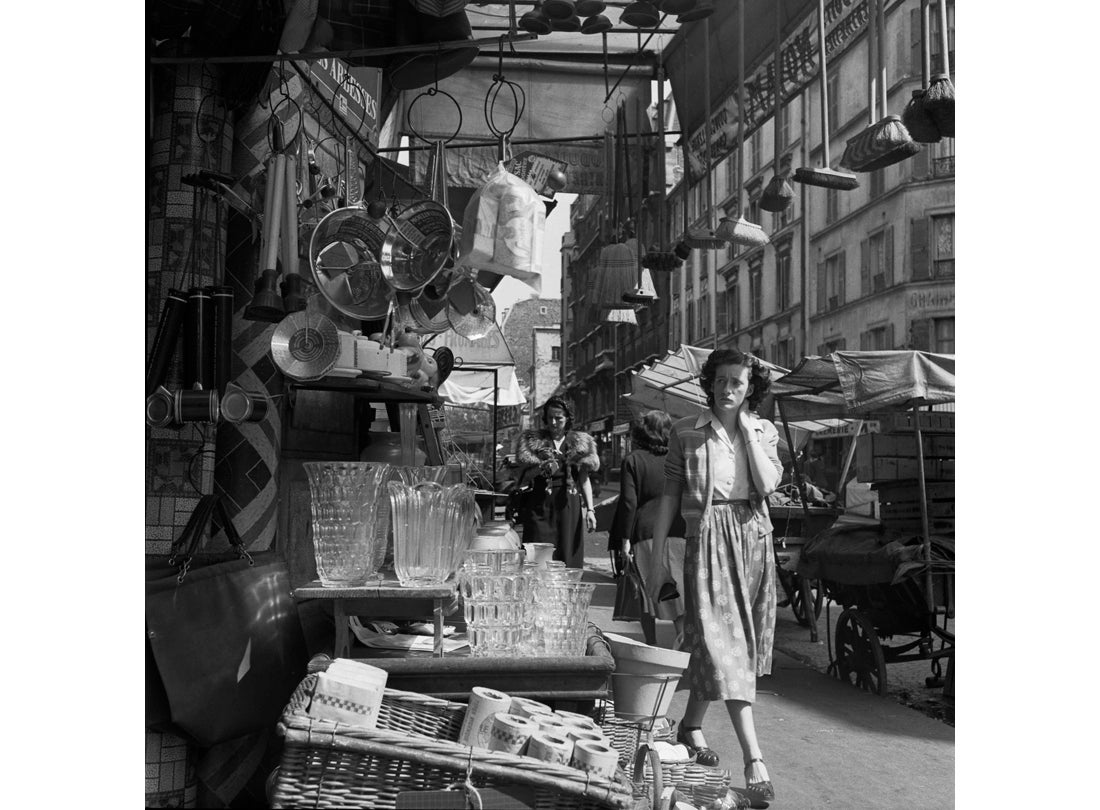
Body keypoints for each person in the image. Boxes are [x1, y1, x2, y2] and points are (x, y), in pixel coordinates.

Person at [650, 348, 783, 803]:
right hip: (707, 539)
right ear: (710, 383)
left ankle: (690, 725)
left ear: (750, 389)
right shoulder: (686, 431)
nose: (727, 389)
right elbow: (670, 496)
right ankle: (754, 757)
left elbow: (767, 485)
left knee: (721, 643)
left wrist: (746, 431)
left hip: (753, 539)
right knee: (728, 644)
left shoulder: (764, 431)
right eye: (721, 380)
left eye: (737, 383)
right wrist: (656, 560)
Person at [608, 410, 688, 646]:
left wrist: (625, 539)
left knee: (645, 591)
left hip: (645, 533)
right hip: (678, 529)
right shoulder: (679, 457)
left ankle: (652, 644)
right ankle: (682, 639)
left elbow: (629, 502)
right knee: (677, 590)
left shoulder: (633, 460)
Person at [514, 397, 599, 568]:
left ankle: (566, 584)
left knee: (567, 552)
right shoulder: (533, 442)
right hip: (540, 504)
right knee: (538, 554)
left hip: (568, 505)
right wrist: (542, 467)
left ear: (567, 418)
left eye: (558, 418)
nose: (553, 422)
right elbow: (522, 477)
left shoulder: (580, 442)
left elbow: (584, 479)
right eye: (550, 417)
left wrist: (590, 510)